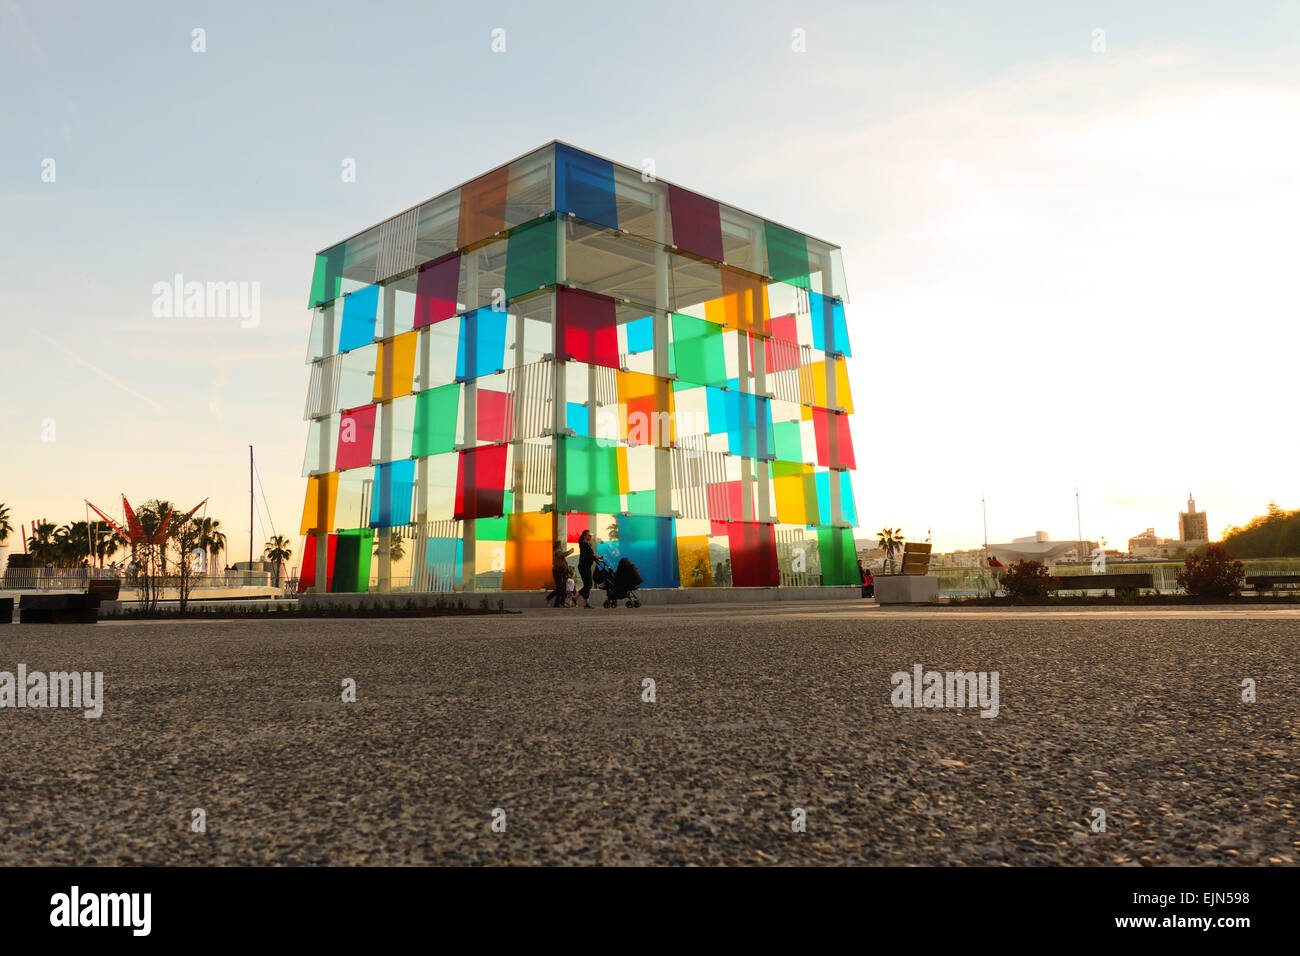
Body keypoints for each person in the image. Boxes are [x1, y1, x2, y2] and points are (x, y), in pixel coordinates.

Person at [577, 529, 596, 608]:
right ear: (584, 536)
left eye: (591, 535)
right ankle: (575, 597)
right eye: (589, 535)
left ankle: (586, 603)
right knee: (588, 585)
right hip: (583, 566)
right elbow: (586, 556)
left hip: (587, 566)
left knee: (587, 585)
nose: (590, 536)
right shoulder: (583, 544)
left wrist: (595, 557)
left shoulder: (588, 544)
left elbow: (590, 556)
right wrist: (595, 557)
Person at [551, 540, 572, 608]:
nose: (562, 546)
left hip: (562, 571)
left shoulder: (558, 551)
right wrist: (570, 551)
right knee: (560, 587)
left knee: (563, 587)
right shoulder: (558, 551)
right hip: (558, 571)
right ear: (558, 545)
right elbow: (564, 554)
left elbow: (565, 563)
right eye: (561, 544)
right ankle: (556, 603)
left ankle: (561, 602)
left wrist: (568, 571)